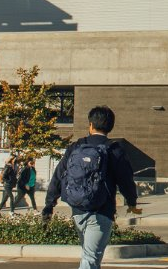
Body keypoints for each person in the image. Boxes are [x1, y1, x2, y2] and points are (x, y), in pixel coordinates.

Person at [42, 106, 142, 269]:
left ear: (90, 125)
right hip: (101, 212)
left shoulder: (76, 146)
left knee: (89, 256)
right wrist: (132, 202)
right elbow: (126, 181)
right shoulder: (114, 150)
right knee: (90, 260)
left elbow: (59, 176)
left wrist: (49, 204)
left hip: (77, 210)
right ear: (110, 126)